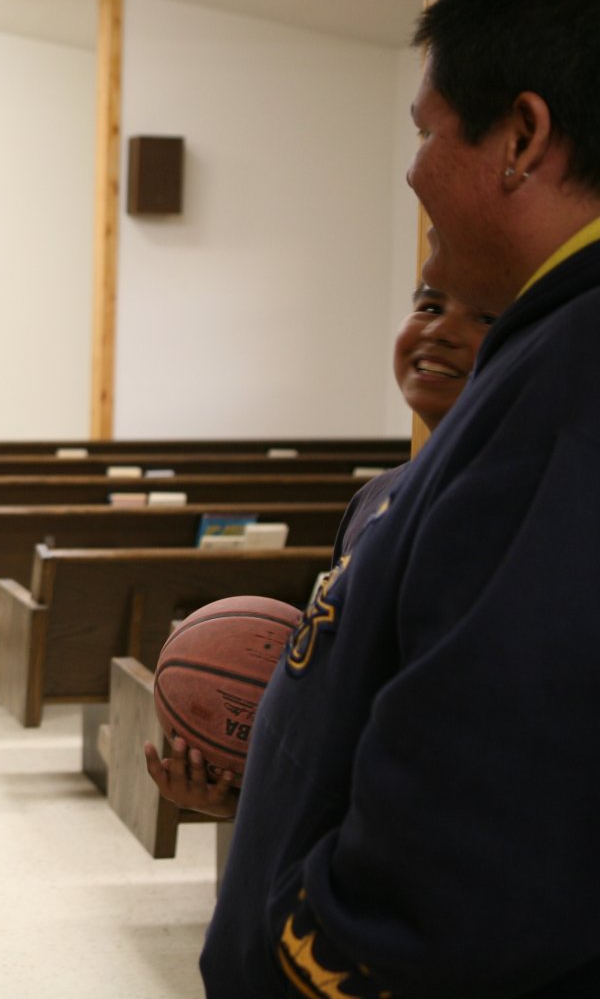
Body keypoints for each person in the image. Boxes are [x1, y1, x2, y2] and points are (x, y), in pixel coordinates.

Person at [198, 0, 600, 996]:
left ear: (522, 137)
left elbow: (491, 793)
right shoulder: (549, 346)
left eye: (426, 131)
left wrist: (310, 952)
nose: (413, 170)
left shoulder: (574, 374)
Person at [143, 280, 496, 818]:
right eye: (429, 305)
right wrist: (245, 777)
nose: (441, 329)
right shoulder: (375, 498)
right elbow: (338, 678)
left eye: (485, 318)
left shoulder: (517, 511)